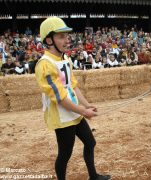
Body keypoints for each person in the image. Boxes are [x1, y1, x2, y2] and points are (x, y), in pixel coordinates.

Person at [35, 16, 111, 180]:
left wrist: (86, 104)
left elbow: (73, 86)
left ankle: (93, 176)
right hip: (62, 117)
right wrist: (83, 111)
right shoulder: (45, 64)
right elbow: (60, 98)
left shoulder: (66, 58)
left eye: (67, 36)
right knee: (65, 154)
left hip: (74, 111)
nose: (67, 40)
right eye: (61, 36)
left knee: (90, 143)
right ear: (49, 40)